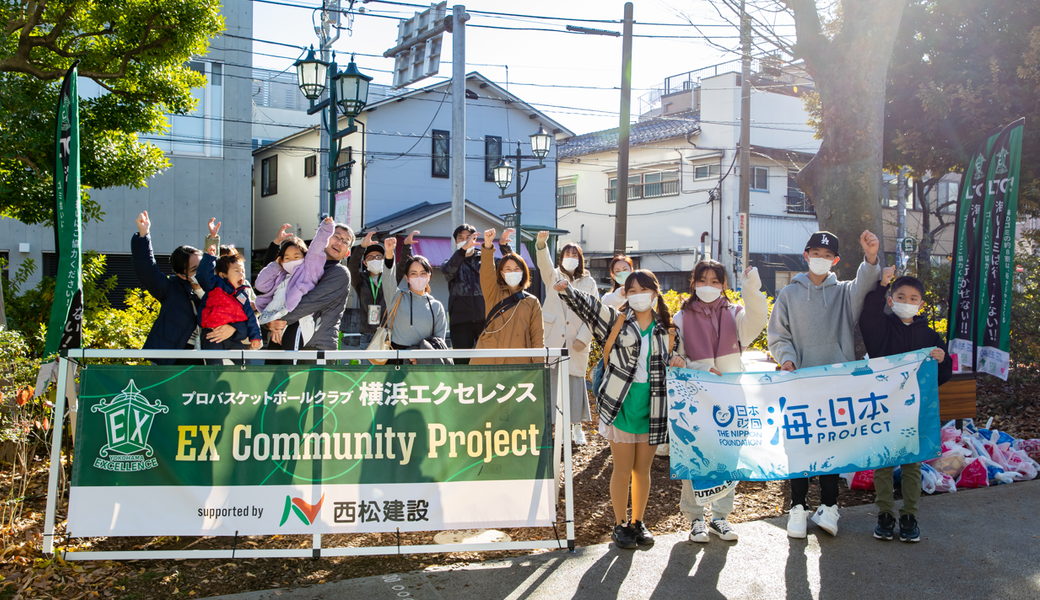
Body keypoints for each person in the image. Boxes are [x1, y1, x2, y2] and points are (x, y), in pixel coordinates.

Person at [555, 269, 682, 550]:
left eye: (643, 289)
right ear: (625, 294)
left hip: (653, 407)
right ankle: (621, 524)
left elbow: (676, 357)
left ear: (655, 292)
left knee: (643, 470)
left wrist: (678, 359)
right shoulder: (618, 321)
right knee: (623, 469)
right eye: (632, 290)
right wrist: (567, 290)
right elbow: (592, 307)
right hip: (620, 404)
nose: (638, 296)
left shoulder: (668, 329)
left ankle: (638, 522)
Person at [767, 230, 882, 539]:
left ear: (836, 260)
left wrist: (871, 256)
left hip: (835, 383)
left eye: (827, 255)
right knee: (800, 444)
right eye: (815, 253)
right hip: (800, 381)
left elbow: (867, 283)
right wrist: (787, 358)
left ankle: (830, 506)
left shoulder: (845, 293)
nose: (821, 259)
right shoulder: (789, 294)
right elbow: (778, 334)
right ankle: (798, 507)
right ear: (806, 255)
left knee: (831, 442)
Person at [674, 260, 768, 543]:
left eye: (715, 281)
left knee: (728, 454)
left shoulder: (736, 313)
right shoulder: (680, 318)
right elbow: (675, 358)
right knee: (694, 455)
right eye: (702, 281)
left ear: (724, 285)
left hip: (730, 395)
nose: (708, 286)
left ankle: (721, 517)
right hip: (696, 398)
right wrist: (694, 367)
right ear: (693, 283)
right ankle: (695, 518)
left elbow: (757, 320)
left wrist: (751, 286)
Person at [860, 267, 953, 543]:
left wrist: (941, 359)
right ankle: (885, 515)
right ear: (891, 300)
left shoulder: (931, 337)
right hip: (884, 407)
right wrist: (881, 286)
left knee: (912, 465)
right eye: (900, 296)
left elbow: (943, 375)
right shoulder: (881, 328)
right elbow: (868, 317)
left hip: (916, 411)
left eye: (913, 298)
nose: (907, 302)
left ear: (921, 304)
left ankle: (910, 516)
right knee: (884, 463)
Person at [131, 211, 237, 365]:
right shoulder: (171, 289)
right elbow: (146, 270)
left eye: (202, 265)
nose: (201, 271)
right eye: (194, 269)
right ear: (182, 275)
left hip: (208, 359)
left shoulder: (217, 287)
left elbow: (211, 260)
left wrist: (213, 240)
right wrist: (143, 235)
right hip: (174, 360)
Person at [535, 230, 598, 444]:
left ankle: (577, 427)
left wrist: (584, 337)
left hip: (576, 340)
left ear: (580, 259)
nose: (570, 258)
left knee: (574, 384)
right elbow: (543, 264)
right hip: (553, 335)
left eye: (574, 255)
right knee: (552, 382)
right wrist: (541, 244)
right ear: (561, 258)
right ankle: (554, 428)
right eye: (566, 255)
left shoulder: (589, 282)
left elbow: (594, 313)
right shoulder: (553, 275)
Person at [267, 223, 354, 352]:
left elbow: (310, 302)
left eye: (345, 242)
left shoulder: (339, 273)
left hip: (317, 345)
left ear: (347, 253)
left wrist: (276, 320)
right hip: (284, 334)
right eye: (336, 236)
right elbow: (272, 284)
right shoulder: (303, 264)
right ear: (324, 238)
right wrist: (269, 322)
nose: (339, 243)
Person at [254, 217, 335, 347]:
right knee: (272, 363)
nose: (291, 261)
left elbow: (315, 249)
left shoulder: (307, 272)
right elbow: (261, 285)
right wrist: (276, 265)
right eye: (287, 258)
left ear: (304, 257)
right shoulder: (281, 277)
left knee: (289, 364)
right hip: (275, 322)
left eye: (296, 257)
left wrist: (325, 229)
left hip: (297, 323)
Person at [441, 224, 514, 363]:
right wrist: (462, 251)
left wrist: (504, 247)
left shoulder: (486, 259)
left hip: (486, 321)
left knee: (489, 362)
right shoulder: (451, 262)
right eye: (460, 238)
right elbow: (448, 271)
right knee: (461, 365)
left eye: (469, 237)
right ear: (456, 242)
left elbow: (511, 266)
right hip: (460, 323)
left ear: (475, 239)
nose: (465, 240)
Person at [471, 228, 543, 366]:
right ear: (502, 273)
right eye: (508, 269)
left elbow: (537, 337)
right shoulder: (493, 293)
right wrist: (487, 245)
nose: (513, 272)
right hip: (488, 360)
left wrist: (539, 366)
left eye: (517, 269)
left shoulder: (532, 302)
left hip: (518, 362)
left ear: (523, 272)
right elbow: (486, 272)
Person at [381, 236, 448, 363]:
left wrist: (420, 356)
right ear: (407, 278)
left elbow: (439, 340)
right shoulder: (396, 297)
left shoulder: (436, 306)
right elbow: (388, 278)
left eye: (423, 273)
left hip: (424, 361)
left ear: (429, 277)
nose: (419, 277)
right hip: (397, 359)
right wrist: (389, 253)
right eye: (413, 273)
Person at [197, 245, 263, 363]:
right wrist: (209, 257)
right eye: (236, 271)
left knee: (244, 364)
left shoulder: (242, 295)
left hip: (233, 338)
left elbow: (250, 317)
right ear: (223, 275)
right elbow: (204, 277)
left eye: (243, 271)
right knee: (214, 368)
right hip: (212, 334)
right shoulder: (215, 286)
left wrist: (255, 337)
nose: (241, 274)